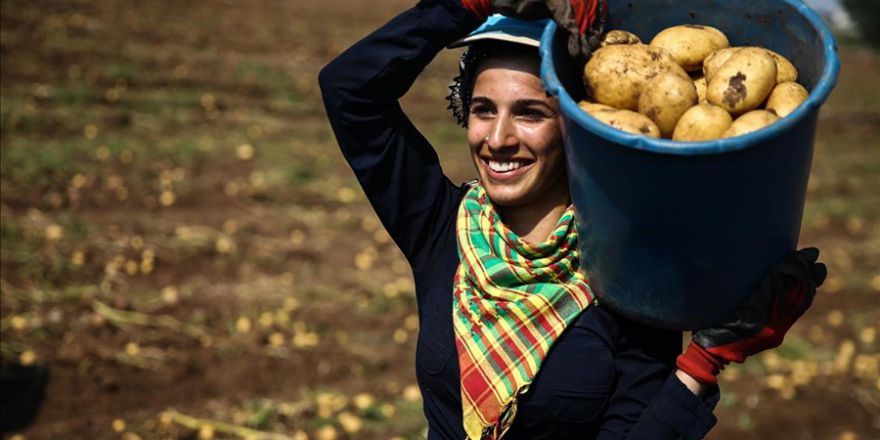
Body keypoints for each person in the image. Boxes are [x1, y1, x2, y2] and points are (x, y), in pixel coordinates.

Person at [319, 1, 826, 439]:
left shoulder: (625, 274)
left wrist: (704, 363)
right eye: (482, 109)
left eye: (529, 114)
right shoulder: (439, 225)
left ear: (576, 127)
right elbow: (350, 90)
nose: (497, 138)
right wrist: (464, 7)